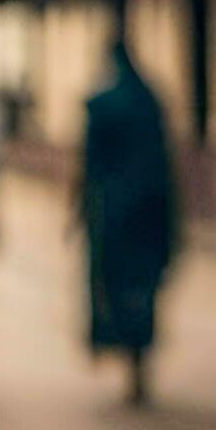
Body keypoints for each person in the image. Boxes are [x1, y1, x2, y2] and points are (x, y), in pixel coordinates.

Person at [76, 40, 178, 407]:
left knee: (116, 285)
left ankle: (128, 357)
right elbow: (165, 163)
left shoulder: (101, 105)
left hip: (114, 212)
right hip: (151, 209)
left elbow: (89, 164)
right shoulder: (151, 100)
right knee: (143, 286)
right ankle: (140, 363)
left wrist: (79, 210)